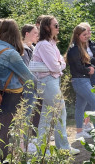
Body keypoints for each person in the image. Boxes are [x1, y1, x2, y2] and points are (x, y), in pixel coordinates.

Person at [0, 19, 36, 159]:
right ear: (15, 33)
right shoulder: (10, 53)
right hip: (12, 94)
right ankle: (5, 162)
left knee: (1, 128)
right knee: (7, 130)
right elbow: (29, 78)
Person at [33, 15, 80, 155]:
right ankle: (63, 148)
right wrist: (59, 64)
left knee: (46, 116)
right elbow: (55, 66)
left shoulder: (51, 44)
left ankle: (42, 151)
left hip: (51, 81)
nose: (58, 28)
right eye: (56, 25)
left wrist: (59, 64)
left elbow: (61, 62)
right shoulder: (44, 45)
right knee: (60, 112)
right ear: (47, 27)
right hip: (47, 81)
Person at [67, 25, 95, 140]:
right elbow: (76, 67)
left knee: (80, 106)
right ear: (77, 35)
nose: (86, 37)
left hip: (82, 79)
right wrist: (89, 69)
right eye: (84, 35)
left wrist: (89, 66)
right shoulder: (74, 49)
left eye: (87, 34)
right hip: (80, 80)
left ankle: (79, 132)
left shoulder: (79, 47)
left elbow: (87, 62)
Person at [78, 22, 95, 131]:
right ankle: (85, 124)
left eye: (90, 31)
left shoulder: (92, 44)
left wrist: (89, 59)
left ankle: (87, 123)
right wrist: (92, 59)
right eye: (87, 31)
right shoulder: (78, 46)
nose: (89, 33)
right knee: (86, 99)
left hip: (93, 75)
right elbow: (81, 60)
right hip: (83, 75)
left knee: (91, 99)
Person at [21, 24, 40, 151]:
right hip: (27, 88)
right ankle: (24, 145)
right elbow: (27, 71)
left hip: (34, 86)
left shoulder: (32, 48)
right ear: (26, 34)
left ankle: (30, 141)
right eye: (35, 33)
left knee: (32, 116)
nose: (37, 35)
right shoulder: (22, 49)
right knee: (26, 117)